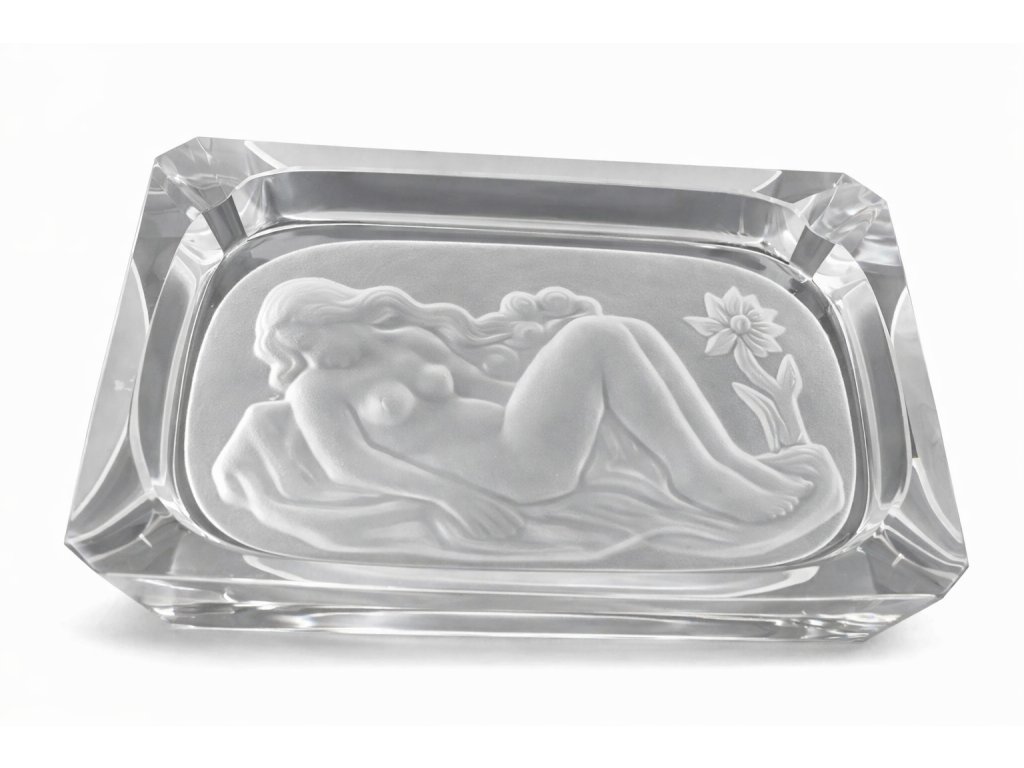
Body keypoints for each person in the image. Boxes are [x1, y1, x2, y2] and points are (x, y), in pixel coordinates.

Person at [217, 278, 818, 541]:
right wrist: (452, 497)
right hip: (514, 473)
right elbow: (350, 465)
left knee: (622, 329)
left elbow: (487, 390)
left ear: (332, 316)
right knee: (596, 337)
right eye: (297, 353)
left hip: (519, 435)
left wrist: (567, 386)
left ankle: (726, 461)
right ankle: (696, 476)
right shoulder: (315, 389)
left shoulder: (410, 342)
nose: (309, 357)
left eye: (308, 341)